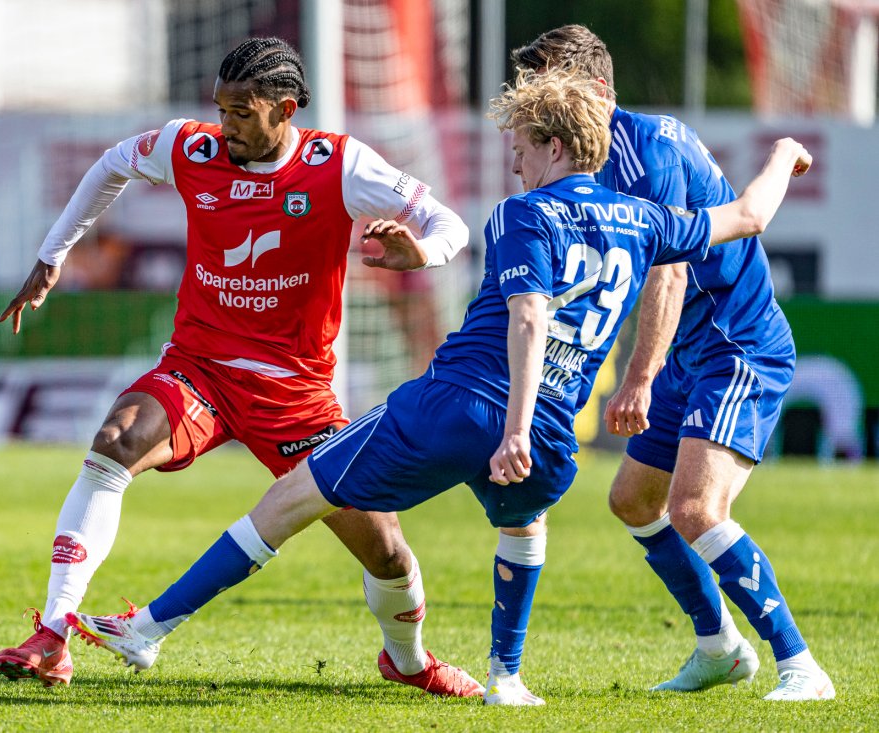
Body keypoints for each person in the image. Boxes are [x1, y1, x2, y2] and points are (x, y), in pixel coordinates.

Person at [63, 68, 812, 706]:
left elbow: (525, 317)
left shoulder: (526, 213)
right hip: (556, 424)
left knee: (291, 495)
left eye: (519, 147)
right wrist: (782, 154)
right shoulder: (646, 218)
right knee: (522, 526)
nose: (514, 163)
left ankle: (147, 628)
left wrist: (508, 427)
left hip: (461, 403)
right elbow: (748, 215)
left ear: (553, 146)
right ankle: (506, 676)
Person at [0, 36, 483, 697]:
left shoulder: (338, 164)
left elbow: (447, 221)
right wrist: (54, 255)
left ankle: (407, 657)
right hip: (200, 370)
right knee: (113, 445)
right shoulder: (189, 147)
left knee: (387, 552)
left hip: (297, 398)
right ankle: (54, 633)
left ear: (285, 109)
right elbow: (111, 164)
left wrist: (420, 253)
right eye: (221, 109)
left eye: (242, 114)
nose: (225, 128)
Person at [510, 24, 834, 701]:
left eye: (549, 91)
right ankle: (719, 644)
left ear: (596, 91)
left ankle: (801, 664)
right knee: (632, 499)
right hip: (689, 352)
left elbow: (671, 274)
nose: (537, 109)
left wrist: (638, 379)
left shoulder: (650, 148)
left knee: (695, 506)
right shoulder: (574, 159)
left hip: (735, 342)